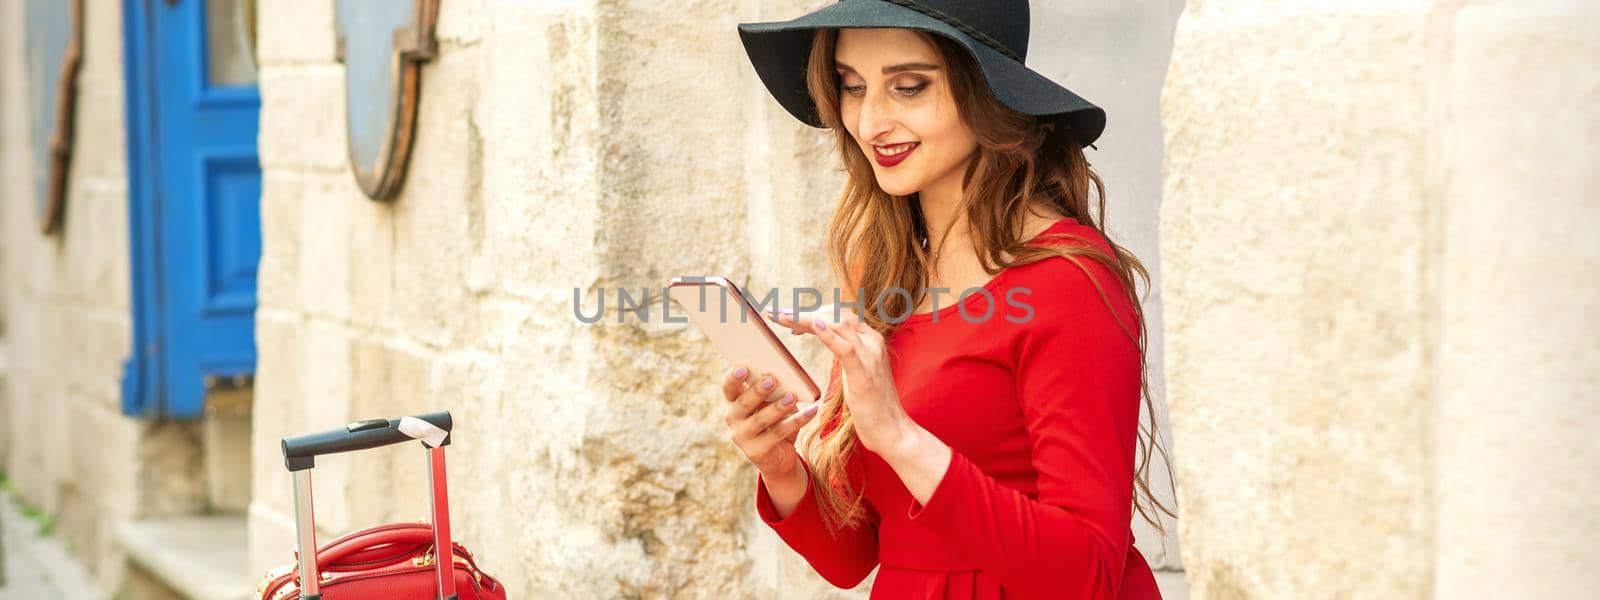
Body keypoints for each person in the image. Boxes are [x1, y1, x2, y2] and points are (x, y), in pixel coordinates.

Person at [719, 1, 1174, 598]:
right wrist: (783, 469)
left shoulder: (1068, 279)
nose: (870, 121)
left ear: (988, 92)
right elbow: (856, 556)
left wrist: (899, 436)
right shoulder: (881, 275)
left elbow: (1086, 573)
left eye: (909, 87)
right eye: (852, 87)